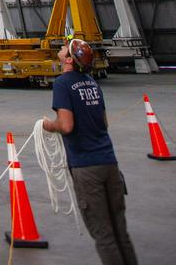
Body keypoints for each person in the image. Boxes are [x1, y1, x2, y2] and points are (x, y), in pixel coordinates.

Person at [43, 38, 139, 265]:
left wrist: (47, 125)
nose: (62, 47)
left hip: (87, 167)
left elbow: (66, 125)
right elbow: (103, 123)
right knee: (120, 232)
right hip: (109, 162)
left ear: (68, 59)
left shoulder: (62, 84)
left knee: (103, 235)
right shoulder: (92, 84)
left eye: (66, 47)